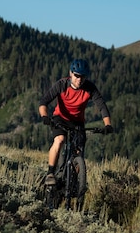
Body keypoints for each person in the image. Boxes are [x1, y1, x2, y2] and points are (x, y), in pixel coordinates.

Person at [38, 58, 113, 208]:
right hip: (60, 119)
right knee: (59, 140)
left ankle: (75, 184)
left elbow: (102, 106)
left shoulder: (89, 88)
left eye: (83, 76)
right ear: (71, 74)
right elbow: (44, 101)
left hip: (78, 123)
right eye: (77, 75)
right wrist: (45, 116)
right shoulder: (62, 84)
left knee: (78, 155)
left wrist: (108, 125)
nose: (79, 79)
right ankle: (51, 173)